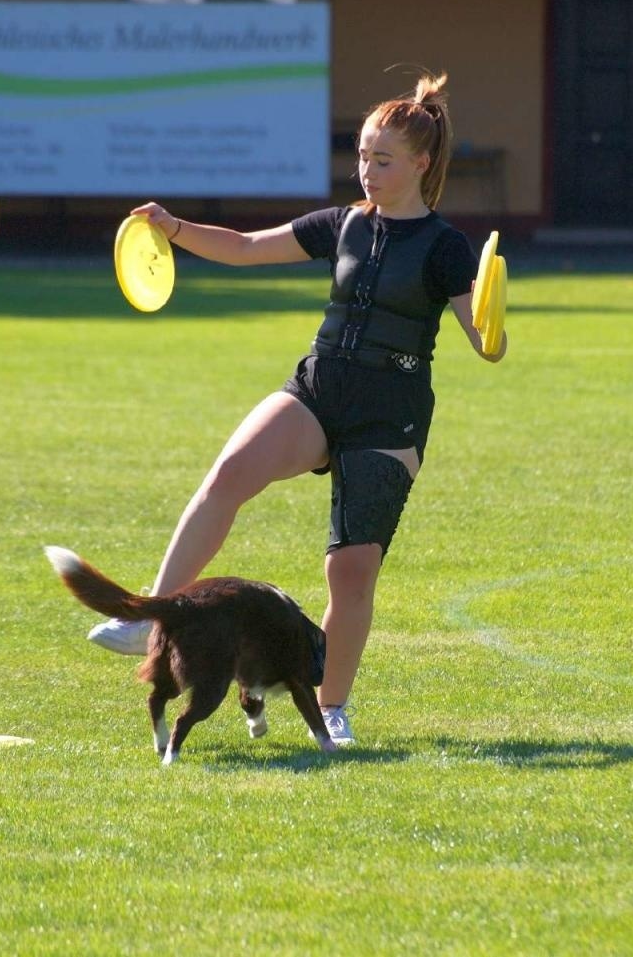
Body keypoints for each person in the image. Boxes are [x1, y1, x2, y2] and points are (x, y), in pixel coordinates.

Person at [89, 71, 507, 747]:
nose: (366, 171)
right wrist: (173, 227)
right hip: (320, 384)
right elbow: (249, 246)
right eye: (362, 157)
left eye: (382, 160)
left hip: (389, 411)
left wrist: (494, 327)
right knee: (229, 472)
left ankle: (331, 706)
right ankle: (149, 615)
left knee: (350, 569)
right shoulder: (341, 225)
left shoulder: (445, 247)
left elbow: (483, 339)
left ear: (421, 164)